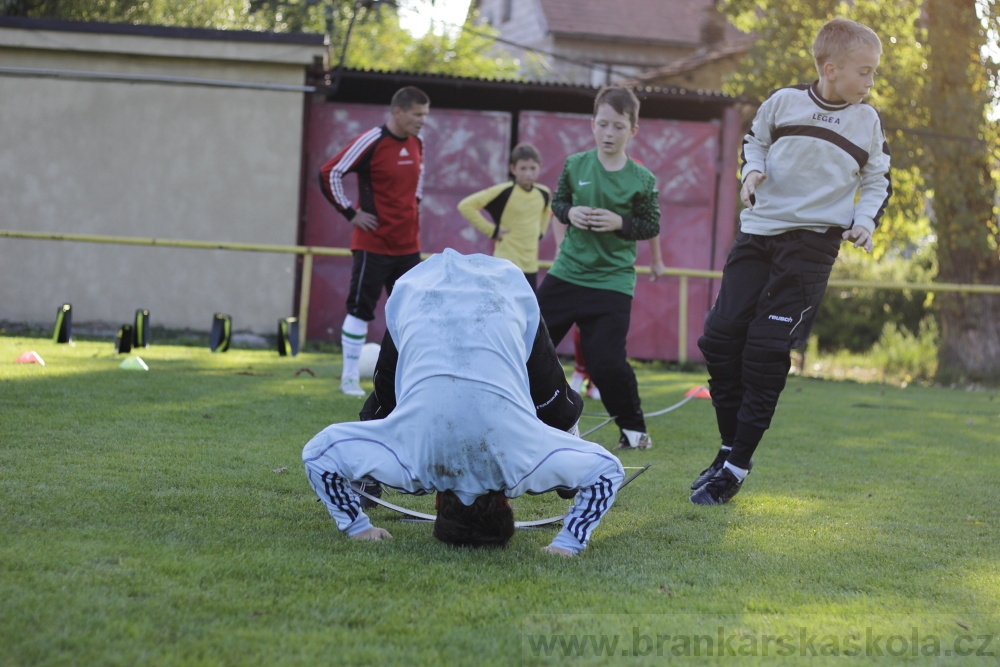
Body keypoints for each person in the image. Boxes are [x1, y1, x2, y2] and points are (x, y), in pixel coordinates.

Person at [302, 250, 625, 556]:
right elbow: (318, 455)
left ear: (505, 503)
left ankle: (566, 442)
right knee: (387, 401)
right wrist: (356, 527)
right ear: (438, 503)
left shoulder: (520, 465)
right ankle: (565, 436)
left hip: (499, 293)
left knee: (387, 403)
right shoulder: (413, 467)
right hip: (421, 293)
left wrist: (569, 543)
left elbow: (607, 471)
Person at [690, 18, 891, 505]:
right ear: (831, 68)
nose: (870, 81)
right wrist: (752, 172)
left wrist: (865, 221)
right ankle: (728, 447)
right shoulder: (782, 102)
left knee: (764, 351)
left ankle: (735, 467)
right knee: (720, 338)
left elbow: (878, 178)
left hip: (812, 246)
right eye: (864, 71)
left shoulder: (867, 121)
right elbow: (754, 142)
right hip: (758, 234)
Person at [535, 85, 661, 451]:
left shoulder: (643, 179)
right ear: (592, 124)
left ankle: (635, 432)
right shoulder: (575, 165)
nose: (609, 133)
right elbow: (558, 204)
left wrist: (620, 223)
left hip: (612, 282)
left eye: (618, 126)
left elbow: (651, 225)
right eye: (603, 124)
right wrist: (570, 212)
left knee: (606, 363)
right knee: (528, 345)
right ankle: (522, 418)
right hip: (566, 274)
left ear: (632, 130)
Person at [319, 86, 431, 397]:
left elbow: (418, 183)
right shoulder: (371, 140)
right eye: (417, 114)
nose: (423, 120)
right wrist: (350, 213)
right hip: (373, 245)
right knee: (360, 310)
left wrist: (414, 208)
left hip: (408, 246)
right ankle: (349, 379)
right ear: (398, 112)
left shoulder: (419, 142)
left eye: (425, 114)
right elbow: (329, 172)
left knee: (411, 314)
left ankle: (407, 381)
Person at [457, 143, 552, 291]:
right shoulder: (504, 191)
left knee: (528, 304)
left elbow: (547, 210)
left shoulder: (543, 193)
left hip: (531, 265)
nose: (528, 173)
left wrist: (541, 232)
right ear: (513, 169)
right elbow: (466, 206)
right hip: (505, 264)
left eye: (533, 168)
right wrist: (492, 231)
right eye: (523, 168)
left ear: (539, 168)